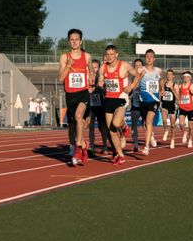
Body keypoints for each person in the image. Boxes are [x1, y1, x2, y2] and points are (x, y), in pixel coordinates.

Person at [57, 28, 95, 166]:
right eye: (71, 40)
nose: (74, 42)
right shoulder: (64, 57)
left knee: (79, 116)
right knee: (73, 123)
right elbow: (60, 77)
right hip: (70, 95)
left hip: (83, 92)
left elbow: (91, 70)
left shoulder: (87, 56)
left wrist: (92, 76)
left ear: (81, 41)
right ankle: (81, 143)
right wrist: (68, 66)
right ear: (68, 41)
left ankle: (79, 144)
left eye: (76, 39)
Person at [100, 45, 141, 165]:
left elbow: (138, 75)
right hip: (108, 99)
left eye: (111, 54)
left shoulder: (124, 66)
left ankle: (124, 127)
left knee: (116, 123)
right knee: (111, 131)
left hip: (121, 98)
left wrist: (132, 86)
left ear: (116, 54)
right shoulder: (103, 67)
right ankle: (120, 155)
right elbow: (100, 80)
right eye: (107, 54)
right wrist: (99, 82)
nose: (109, 56)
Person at [136, 49, 162, 156]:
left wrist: (162, 89)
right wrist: (139, 78)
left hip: (154, 101)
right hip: (143, 100)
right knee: (144, 124)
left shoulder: (158, 70)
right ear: (145, 58)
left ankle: (146, 147)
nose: (149, 59)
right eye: (147, 57)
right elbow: (136, 84)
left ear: (154, 58)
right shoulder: (140, 70)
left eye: (151, 57)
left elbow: (161, 80)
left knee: (148, 120)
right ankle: (151, 135)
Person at [88, 59, 111, 155]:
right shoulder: (87, 77)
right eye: (92, 67)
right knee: (91, 127)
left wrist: (96, 88)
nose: (93, 69)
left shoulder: (102, 77)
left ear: (99, 68)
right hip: (90, 106)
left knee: (102, 127)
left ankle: (105, 146)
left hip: (101, 105)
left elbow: (104, 88)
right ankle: (92, 148)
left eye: (96, 67)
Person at [177, 71, 193, 148]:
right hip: (182, 107)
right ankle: (184, 132)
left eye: (187, 77)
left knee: (191, 127)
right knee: (180, 124)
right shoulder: (180, 86)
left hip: (191, 109)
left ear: (190, 78)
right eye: (184, 76)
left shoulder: (192, 86)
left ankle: (190, 140)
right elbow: (178, 94)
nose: (185, 78)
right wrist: (178, 100)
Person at [160, 69, 177, 148]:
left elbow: (178, 97)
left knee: (173, 125)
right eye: (168, 74)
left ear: (173, 76)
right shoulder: (163, 84)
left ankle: (172, 139)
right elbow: (160, 93)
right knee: (164, 119)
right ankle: (165, 130)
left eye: (170, 74)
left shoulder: (175, 85)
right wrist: (160, 93)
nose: (169, 76)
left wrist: (172, 89)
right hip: (164, 105)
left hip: (172, 106)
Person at [130, 59, 144, 153]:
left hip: (146, 105)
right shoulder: (132, 78)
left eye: (139, 65)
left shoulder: (147, 76)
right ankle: (135, 145)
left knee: (146, 124)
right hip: (135, 105)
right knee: (134, 126)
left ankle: (150, 137)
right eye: (136, 65)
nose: (138, 67)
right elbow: (132, 88)